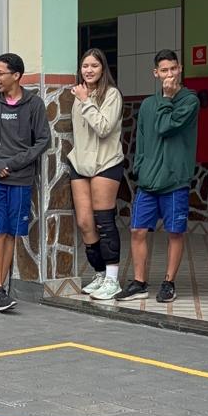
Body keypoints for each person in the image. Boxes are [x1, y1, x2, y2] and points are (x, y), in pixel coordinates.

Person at [120, 50, 199, 304]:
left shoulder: (190, 100)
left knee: (175, 232)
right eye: (164, 70)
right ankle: (139, 282)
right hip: (148, 181)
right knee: (137, 231)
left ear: (180, 68)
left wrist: (167, 98)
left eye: (173, 69)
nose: (169, 74)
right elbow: (141, 139)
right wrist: (140, 168)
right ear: (156, 73)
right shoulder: (147, 104)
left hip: (175, 181)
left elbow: (166, 126)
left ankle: (168, 282)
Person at [0, 52, 51, 312]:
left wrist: (14, 164)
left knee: (11, 234)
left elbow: (43, 140)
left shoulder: (34, 104)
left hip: (20, 178)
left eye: (0, 73)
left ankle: (0, 291)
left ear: (16, 75)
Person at [69, 48, 124, 302]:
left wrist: (85, 101)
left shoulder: (112, 94)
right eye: (85, 66)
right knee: (84, 222)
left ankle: (113, 279)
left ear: (103, 69)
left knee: (104, 221)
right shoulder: (79, 94)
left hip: (106, 163)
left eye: (94, 65)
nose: (88, 70)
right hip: (80, 164)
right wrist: (83, 99)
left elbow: (103, 128)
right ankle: (100, 273)